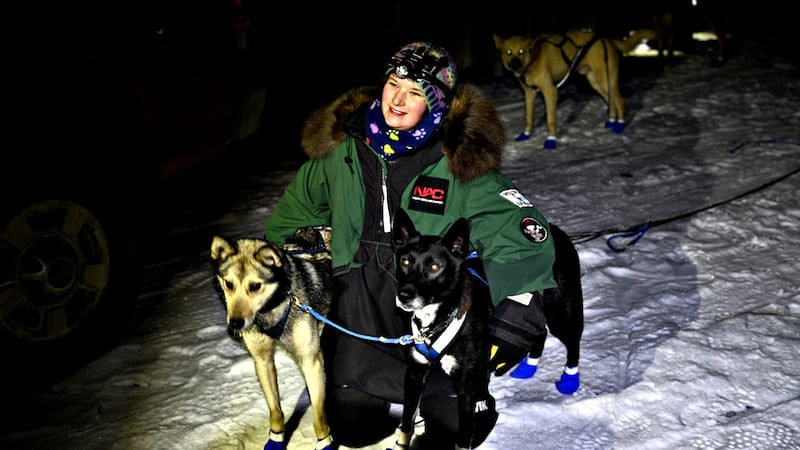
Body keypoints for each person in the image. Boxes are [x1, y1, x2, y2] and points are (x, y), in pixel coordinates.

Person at [263, 41, 558, 448]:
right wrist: (295, 262)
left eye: (416, 92)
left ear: (436, 104)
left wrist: (516, 315)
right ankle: (367, 392)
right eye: (394, 84)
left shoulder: (457, 160)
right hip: (360, 313)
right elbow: (291, 219)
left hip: (435, 319)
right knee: (351, 429)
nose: (398, 100)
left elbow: (521, 234)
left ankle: (456, 399)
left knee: (450, 434)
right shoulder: (342, 149)